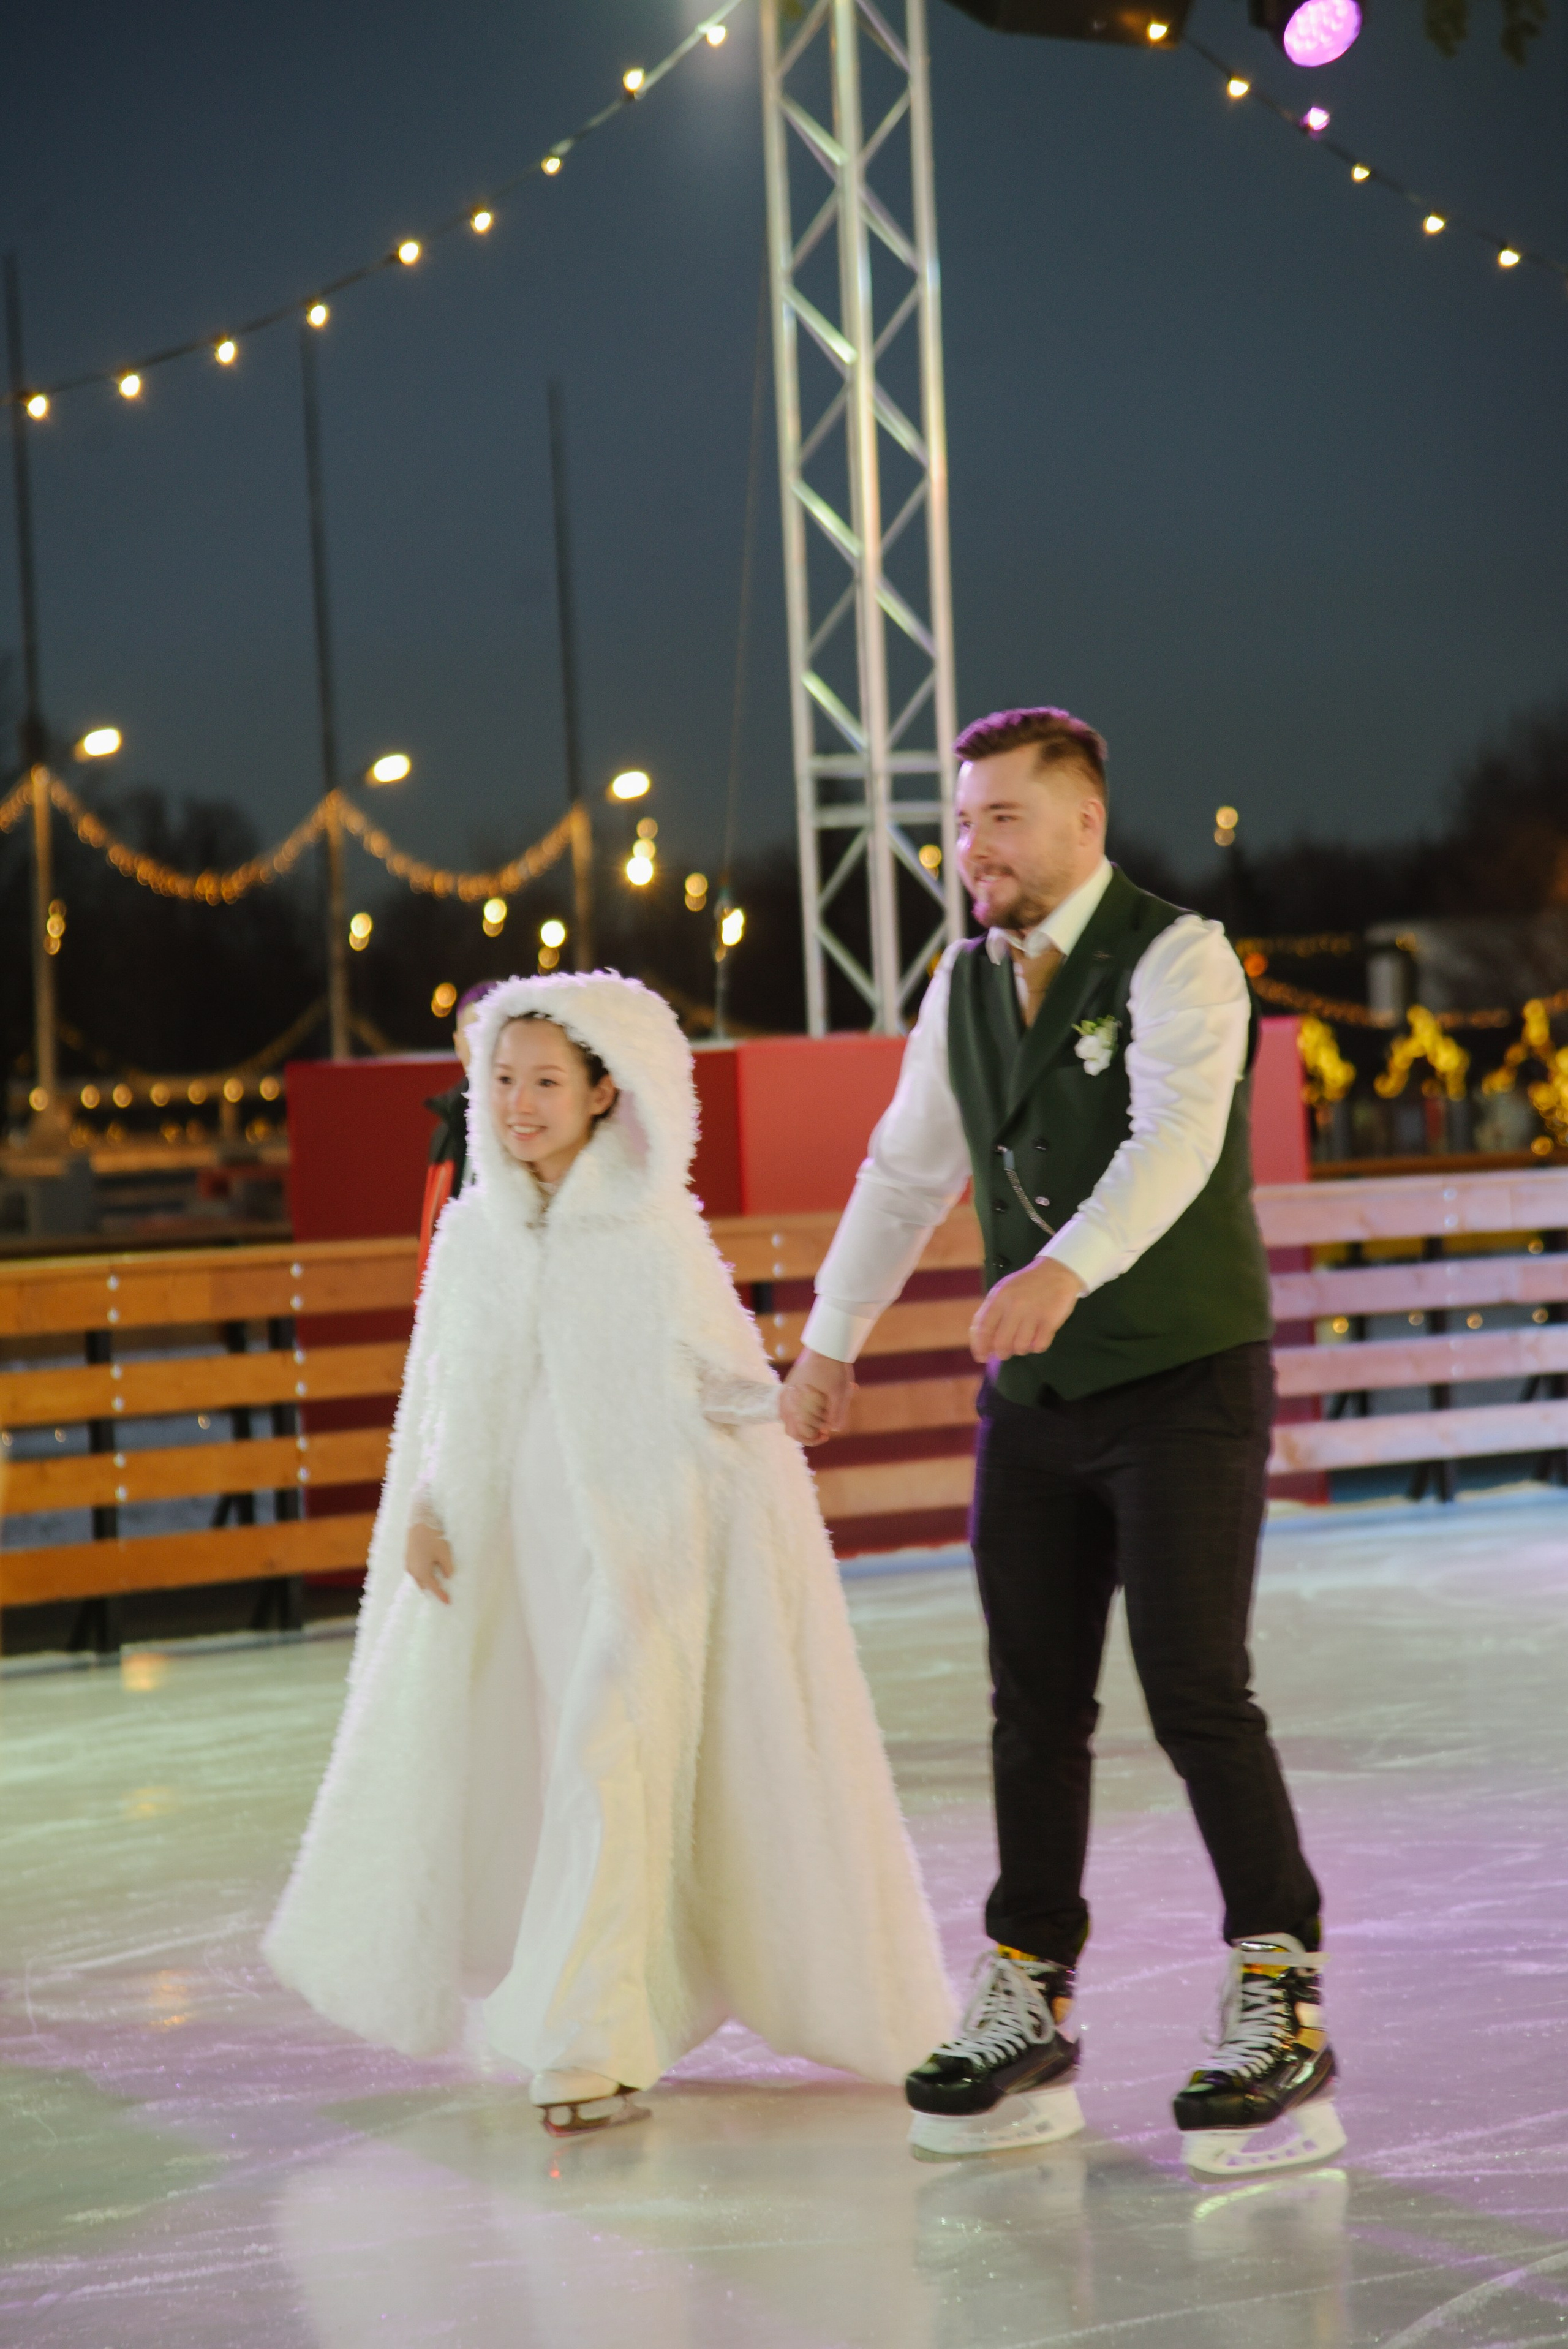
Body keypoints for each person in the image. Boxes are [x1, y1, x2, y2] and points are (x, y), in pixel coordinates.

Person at [782, 707, 1339, 2176]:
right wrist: (829, 1339)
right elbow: (903, 1170)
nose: (971, 847)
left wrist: (1059, 1270)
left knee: (1194, 1688)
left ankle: (1276, 1991)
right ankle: (1028, 1987)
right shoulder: (963, 982)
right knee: (1031, 1703)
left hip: (1181, 1379)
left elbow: (1174, 1137)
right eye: (961, 820)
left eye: (1001, 818)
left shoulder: (1177, 955)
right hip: (1036, 1404)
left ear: (1082, 822)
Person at [266, 971, 952, 2136]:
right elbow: (451, 1392)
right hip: (525, 1557)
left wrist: (778, 1403)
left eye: (547, 1081)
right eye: (503, 1079)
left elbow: (712, 1376)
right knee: (560, 1768)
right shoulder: (474, 1236)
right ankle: (595, 2017)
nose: (520, 1103)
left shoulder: (652, 1232)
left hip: (647, 1556)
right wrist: (430, 1503)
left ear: (603, 1092)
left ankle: (592, 2041)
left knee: (609, 1756)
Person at [415, 980, 498, 1290]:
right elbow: (432, 1243)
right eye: (473, 1033)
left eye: (492, 1033)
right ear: (457, 1044)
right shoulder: (445, 1132)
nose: (482, 1046)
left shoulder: (533, 1129)